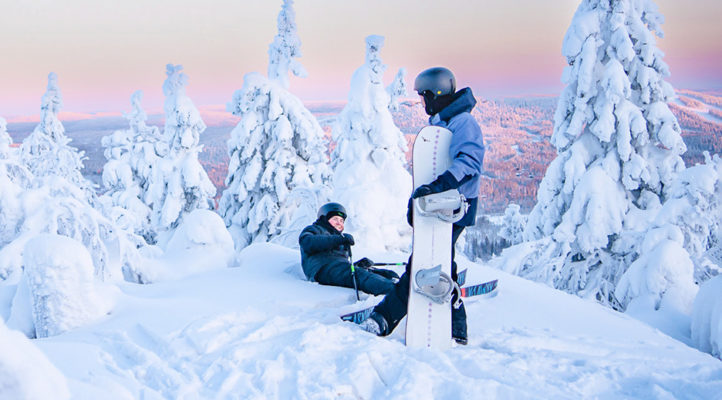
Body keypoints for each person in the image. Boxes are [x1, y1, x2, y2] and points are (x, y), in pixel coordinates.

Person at [359, 67, 485, 345]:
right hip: (439, 208)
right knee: (440, 264)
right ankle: (457, 328)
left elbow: (470, 162)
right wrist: (418, 201)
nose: (423, 104)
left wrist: (440, 187)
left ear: (436, 94)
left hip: (454, 207)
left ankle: (383, 318)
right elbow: (431, 170)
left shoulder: (462, 122)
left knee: (423, 264)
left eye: (424, 97)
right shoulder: (444, 123)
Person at [299, 202, 399, 296]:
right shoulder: (315, 229)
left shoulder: (340, 239)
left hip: (337, 269)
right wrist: (338, 239)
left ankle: (401, 287)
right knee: (360, 275)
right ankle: (396, 294)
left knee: (384, 273)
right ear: (325, 219)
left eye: (342, 221)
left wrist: (358, 265)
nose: (339, 223)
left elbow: (343, 268)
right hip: (321, 269)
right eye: (335, 219)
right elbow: (307, 242)